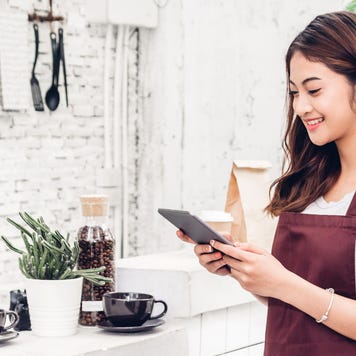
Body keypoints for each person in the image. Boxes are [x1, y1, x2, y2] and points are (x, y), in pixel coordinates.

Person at [177, 11, 356, 355]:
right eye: (293, 92)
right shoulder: (308, 186)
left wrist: (283, 282)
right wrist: (242, 269)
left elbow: (295, 290)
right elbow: (293, 300)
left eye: (314, 90)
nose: (301, 107)